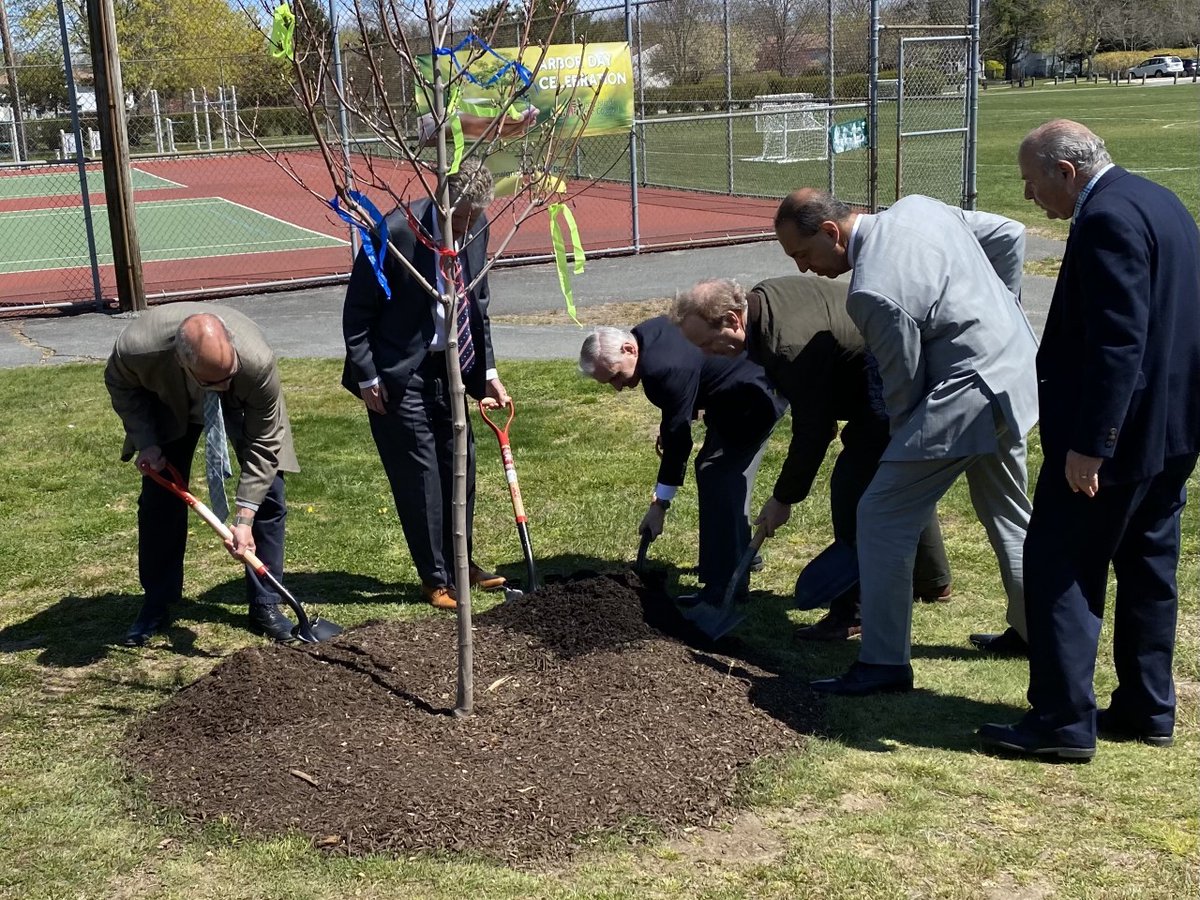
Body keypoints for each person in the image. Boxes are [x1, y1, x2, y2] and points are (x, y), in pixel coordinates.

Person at [979, 120, 1200, 760]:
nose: (1028, 196)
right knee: (1147, 568)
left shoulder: (1106, 218)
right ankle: (1146, 706)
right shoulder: (1160, 200)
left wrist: (1092, 443)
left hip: (1117, 439)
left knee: (1060, 566)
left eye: (1031, 180)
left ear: (1065, 172)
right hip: (1173, 429)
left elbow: (1118, 340)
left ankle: (1061, 722)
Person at [772, 189, 1038, 695]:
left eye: (804, 255)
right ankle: (1036, 632)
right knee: (1008, 512)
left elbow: (903, 386)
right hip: (1016, 371)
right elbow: (1009, 235)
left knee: (881, 515)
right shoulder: (920, 207)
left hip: (969, 395)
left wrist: (900, 447)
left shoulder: (871, 291)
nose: (804, 269)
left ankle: (883, 664)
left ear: (832, 232)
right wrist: (1005, 309)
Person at [672, 276, 952, 637]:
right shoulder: (763, 302)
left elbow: (814, 431)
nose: (709, 353)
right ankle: (933, 581)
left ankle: (853, 612)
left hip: (894, 377)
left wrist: (784, 498)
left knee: (853, 488)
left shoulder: (787, 343)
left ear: (732, 319)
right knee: (888, 478)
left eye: (709, 343)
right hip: (875, 373)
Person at [342, 159, 509, 610]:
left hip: (451, 365)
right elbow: (357, 312)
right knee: (421, 475)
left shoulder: (477, 226)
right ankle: (434, 577)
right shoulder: (393, 232)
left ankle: (462, 564)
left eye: (474, 219)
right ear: (442, 202)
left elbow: (479, 302)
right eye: (461, 218)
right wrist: (368, 377)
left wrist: (488, 372)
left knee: (462, 466)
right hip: (398, 372)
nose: (468, 227)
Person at [104, 304, 300, 646]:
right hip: (170, 403)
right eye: (215, 381)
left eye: (228, 374)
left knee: (268, 495)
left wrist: (244, 515)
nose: (223, 385)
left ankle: (266, 604)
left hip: (245, 402)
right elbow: (120, 385)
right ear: (184, 363)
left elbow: (266, 442)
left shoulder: (254, 363)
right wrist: (146, 442)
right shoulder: (138, 349)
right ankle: (157, 603)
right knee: (159, 502)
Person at [579, 317, 785, 605]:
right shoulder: (647, 334)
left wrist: (659, 505)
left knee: (716, 472)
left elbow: (679, 443)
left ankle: (724, 587)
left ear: (628, 349)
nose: (617, 387)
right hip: (734, 391)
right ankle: (737, 556)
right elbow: (686, 381)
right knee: (720, 473)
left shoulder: (660, 368)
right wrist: (674, 421)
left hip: (754, 395)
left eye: (615, 376)